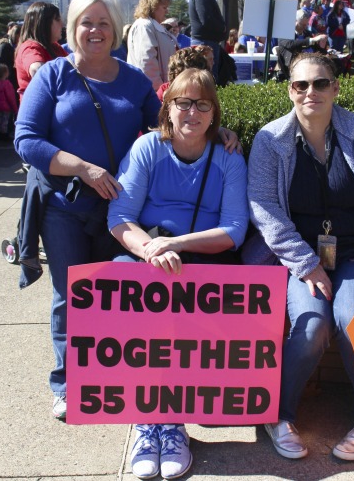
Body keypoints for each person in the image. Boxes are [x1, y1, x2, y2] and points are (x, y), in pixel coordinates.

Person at [243, 52, 354, 462]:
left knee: (352, 322)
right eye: (301, 85)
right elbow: (263, 207)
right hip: (300, 259)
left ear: (336, 88)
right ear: (289, 90)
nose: (310, 92)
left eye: (320, 83)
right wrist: (305, 263)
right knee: (312, 325)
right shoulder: (270, 141)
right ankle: (277, 415)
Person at [14, 0, 162, 422]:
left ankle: (109, 374)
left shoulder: (134, 81)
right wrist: (82, 168)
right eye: (85, 22)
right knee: (70, 293)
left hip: (116, 210)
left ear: (115, 28)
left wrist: (217, 134)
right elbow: (26, 140)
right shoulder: (53, 75)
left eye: (103, 22)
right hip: (64, 205)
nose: (94, 30)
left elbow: (168, 127)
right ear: (72, 28)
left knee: (115, 292)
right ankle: (66, 382)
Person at [107, 69, 248, 479]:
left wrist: (178, 246)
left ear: (213, 113)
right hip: (148, 255)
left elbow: (235, 231)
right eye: (182, 102)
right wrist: (150, 249)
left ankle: (173, 425)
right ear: (167, 109)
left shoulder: (228, 158)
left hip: (201, 259)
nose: (192, 111)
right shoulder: (148, 149)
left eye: (202, 104)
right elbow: (119, 216)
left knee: (182, 324)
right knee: (133, 309)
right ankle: (147, 421)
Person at [14, 1, 67, 98]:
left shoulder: (55, 47)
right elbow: (36, 69)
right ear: (44, 23)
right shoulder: (30, 47)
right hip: (41, 110)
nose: (62, 24)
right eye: (58, 19)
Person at [127, 0, 177, 91]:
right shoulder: (144, 26)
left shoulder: (153, 26)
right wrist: (160, 90)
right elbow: (146, 63)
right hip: (151, 92)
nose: (167, 11)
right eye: (164, 7)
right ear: (153, 7)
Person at [187, 0, 226, 80]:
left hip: (206, 42)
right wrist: (222, 28)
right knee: (206, 81)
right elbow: (206, 19)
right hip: (204, 44)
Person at [0, 64, 18, 141]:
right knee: (5, 121)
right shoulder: (7, 84)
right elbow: (11, 97)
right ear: (6, 73)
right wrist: (15, 108)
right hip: (6, 106)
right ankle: (4, 135)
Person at [0, 24, 20, 93]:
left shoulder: (18, 46)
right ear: (15, 34)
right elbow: (2, 64)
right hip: (9, 79)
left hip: (16, 79)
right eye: (20, 35)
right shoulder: (5, 46)